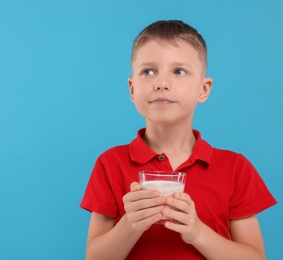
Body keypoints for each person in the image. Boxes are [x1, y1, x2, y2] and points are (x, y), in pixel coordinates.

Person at [80, 20, 277, 259]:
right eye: (148, 71)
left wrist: (197, 233)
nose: (162, 83)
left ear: (203, 89)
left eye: (178, 71)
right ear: (132, 89)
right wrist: (130, 225)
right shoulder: (110, 164)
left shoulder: (236, 168)